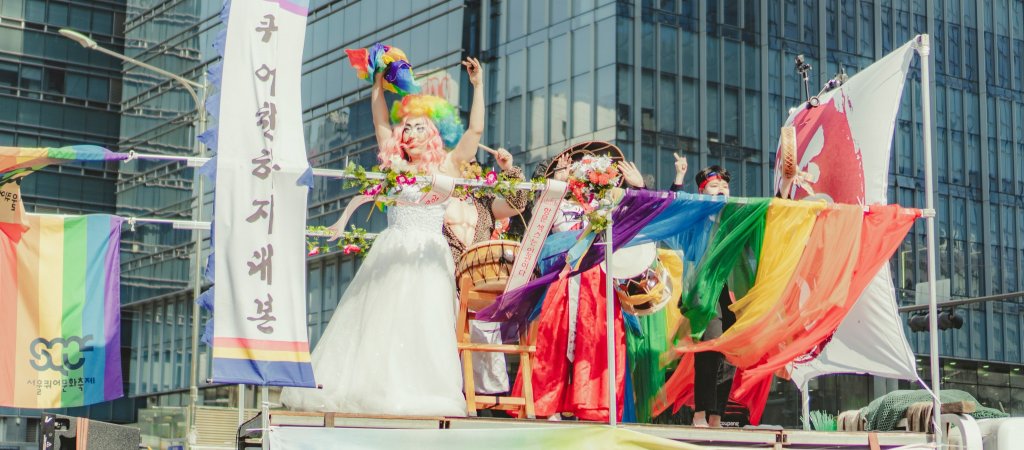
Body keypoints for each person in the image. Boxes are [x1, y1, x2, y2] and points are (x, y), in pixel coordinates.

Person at [280, 57, 486, 416]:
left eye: (420, 127)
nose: (411, 133)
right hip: (394, 248)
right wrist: (377, 84)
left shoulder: (447, 167)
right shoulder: (396, 167)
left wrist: (478, 87)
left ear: (433, 134)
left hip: (430, 255)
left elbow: (476, 134)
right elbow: (379, 119)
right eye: (406, 128)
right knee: (381, 324)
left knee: (426, 325)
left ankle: (422, 392)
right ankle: (373, 390)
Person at [510, 144, 644, 422]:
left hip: (599, 284)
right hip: (561, 280)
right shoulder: (559, 202)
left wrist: (638, 189)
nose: (583, 171)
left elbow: (637, 225)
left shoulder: (609, 203)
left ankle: (593, 405)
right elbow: (536, 232)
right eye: (578, 165)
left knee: (597, 343)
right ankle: (547, 404)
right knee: (552, 340)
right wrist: (556, 186)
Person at [442, 148, 527, 398]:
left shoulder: (484, 203)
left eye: (472, 163)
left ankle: (477, 399)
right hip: (445, 280)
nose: (469, 166)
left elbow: (518, 204)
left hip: (478, 286)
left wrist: (508, 169)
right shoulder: (438, 198)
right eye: (462, 162)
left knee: (480, 345)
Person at [672, 157, 736, 428]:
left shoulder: (736, 216)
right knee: (709, 348)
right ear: (701, 192)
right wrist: (678, 178)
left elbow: (769, 215)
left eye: (724, 185)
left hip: (731, 291)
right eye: (714, 185)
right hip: (703, 289)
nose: (721, 189)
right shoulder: (695, 217)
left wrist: (787, 184)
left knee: (731, 351)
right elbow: (674, 208)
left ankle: (717, 415)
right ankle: (700, 412)